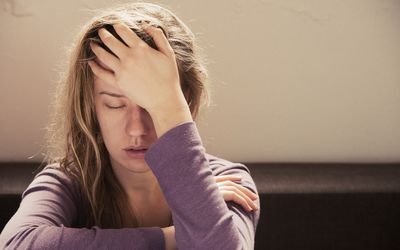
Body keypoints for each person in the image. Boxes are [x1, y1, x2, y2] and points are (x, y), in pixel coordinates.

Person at [0, 2, 260, 249]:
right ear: (92, 108)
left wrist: (169, 106)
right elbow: (15, 245)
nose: (136, 129)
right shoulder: (69, 181)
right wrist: (172, 236)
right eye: (114, 104)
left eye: (151, 106)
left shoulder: (228, 181)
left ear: (185, 103)